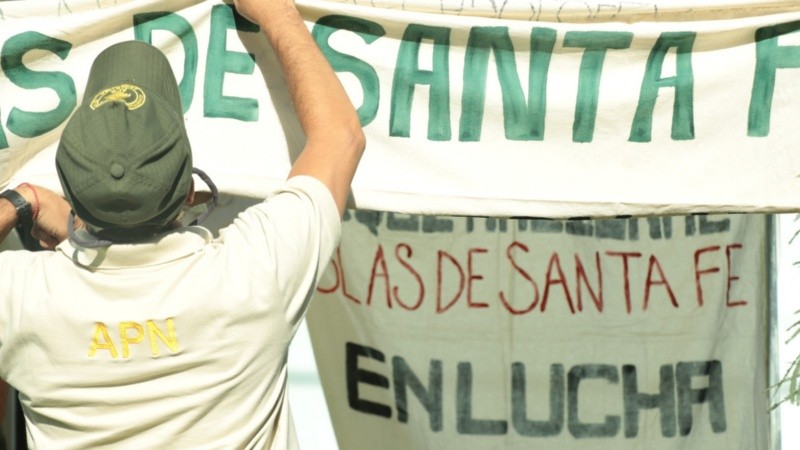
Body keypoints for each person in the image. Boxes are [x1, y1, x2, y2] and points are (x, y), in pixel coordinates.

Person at [0, 0, 365, 447]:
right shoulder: (254, 272)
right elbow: (340, 136)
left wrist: (21, 202)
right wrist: (277, 14)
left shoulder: (21, 301)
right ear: (191, 191)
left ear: (71, 194)